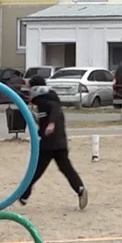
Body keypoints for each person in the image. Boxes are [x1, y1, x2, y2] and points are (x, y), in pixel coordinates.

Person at [18, 76, 87, 210]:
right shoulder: (48, 100)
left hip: (49, 143)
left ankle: (24, 194)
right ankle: (80, 189)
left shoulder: (45, 101)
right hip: (59, 141)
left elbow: (54, 110)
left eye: (30, 89)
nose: (29, 92)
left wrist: (51, 124)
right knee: (66, 168)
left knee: (37, 169)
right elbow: (45, 119)